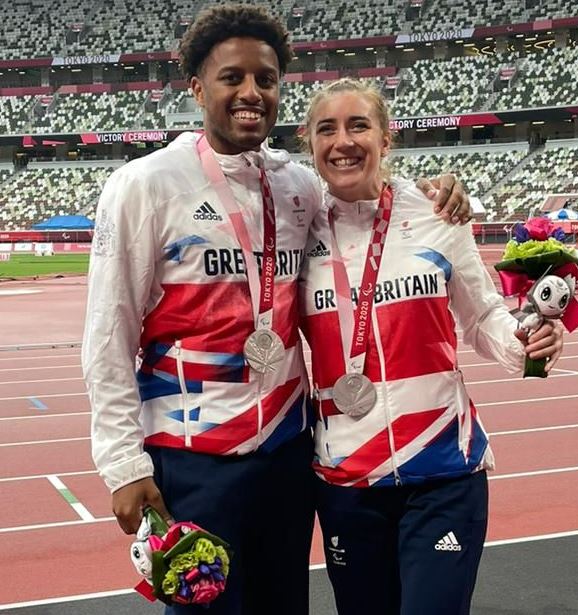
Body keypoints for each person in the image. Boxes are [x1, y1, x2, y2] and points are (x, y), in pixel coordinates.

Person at [82, 6, 471, 614]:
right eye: (231, 77)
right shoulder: (145, 186)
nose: (250, 93)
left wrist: (436, 194)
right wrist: (122, 464)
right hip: (193, 458)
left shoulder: (297, 186)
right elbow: (108, 335)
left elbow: (367, 192)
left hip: (287, 454)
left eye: (265, 80)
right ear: (197, 88)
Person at [299, 78, 564, 615]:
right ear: (310, 145)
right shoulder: (295, 230)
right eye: (327, 129)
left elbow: (484, 314)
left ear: (386, 138)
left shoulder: (438, 214)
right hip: (348, 480)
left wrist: (525, 341)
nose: (343, 140)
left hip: (443, 471)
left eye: (358, 125)